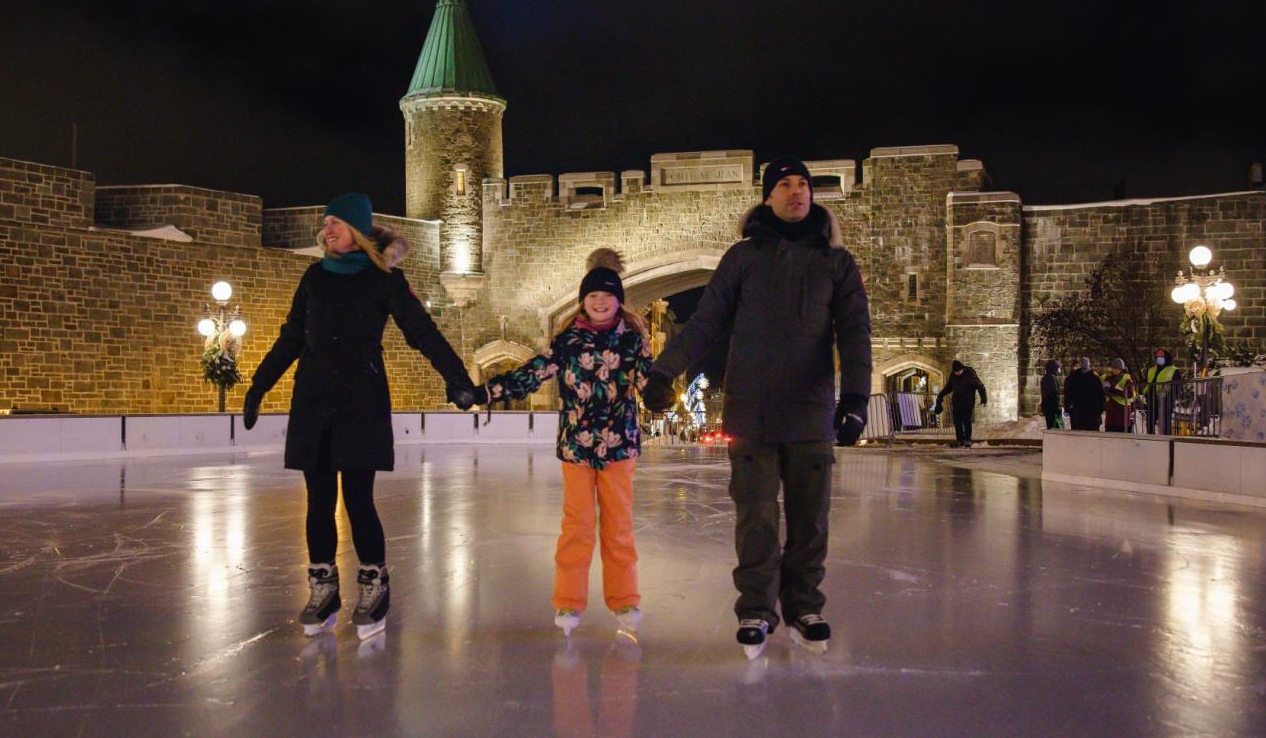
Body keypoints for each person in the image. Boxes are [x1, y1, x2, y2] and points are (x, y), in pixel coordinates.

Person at [642, 157, 872, 658]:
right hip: (753, 411)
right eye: (785, 185)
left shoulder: (837, 262)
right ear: (767, 197)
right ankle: (755, 609)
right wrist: (663, 370)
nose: (796, 192)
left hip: (811, 411)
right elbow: (704, 323)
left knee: (811, 519)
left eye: (803, 185)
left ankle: (805, 606)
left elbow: (855, 332)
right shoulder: (743, 258)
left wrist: (856, 396)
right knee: (757, 518)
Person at [242, 193, 478, 640]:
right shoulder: (314, 277)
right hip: (313, 402)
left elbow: (421, 331)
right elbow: (292, 337)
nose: (327, 230)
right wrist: (259, 384)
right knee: (316, 500)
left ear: (358, 231)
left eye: (336, 223)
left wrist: (456, 376)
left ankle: (374, 587)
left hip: (360, 402)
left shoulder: (384, 279)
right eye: (325, 224)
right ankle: (323, 588)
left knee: (357, 498)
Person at [479, 248, 652, 637]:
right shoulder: (568, 341)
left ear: (618, 300)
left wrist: (658, 391)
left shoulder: (633, 342)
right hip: (576, 446)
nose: (600, 301)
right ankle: (569, 601)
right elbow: (533, 373)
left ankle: (625, 598)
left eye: (607, 296)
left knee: (618, 526)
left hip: (619, 446)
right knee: (576, 526)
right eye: (593, 296)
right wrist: (487, 391)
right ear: (583, 301)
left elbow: (649, 380)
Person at [933, 360, 988, 447]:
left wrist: (983, 399)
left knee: (966, 420)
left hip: (968, 401)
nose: (958, 373)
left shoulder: (970, 374)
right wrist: (941, 395)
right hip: (957, 401)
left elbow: (980, 386)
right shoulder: (953, 376)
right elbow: (948, 387)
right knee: (957, 421)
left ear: (962, 369)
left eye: (959, 371)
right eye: (956, 372)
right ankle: (960, 440)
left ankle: (967, 439)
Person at [1140, 348, 1179, 435]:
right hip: (1152, 400)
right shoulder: (1151, 370)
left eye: (1161, 356)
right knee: (1150, 422)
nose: (1159, 358)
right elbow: (1147, 383)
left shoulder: (1174, 370)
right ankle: (1151, 440)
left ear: (1166, 357)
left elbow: (1177, 387)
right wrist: (1145, 395)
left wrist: (1169, 397)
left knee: (1165, 423)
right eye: (1157, 356)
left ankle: (1165, 441)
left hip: (1165, 400)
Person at [1064, 357, 1105, 431]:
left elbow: (1068, 394)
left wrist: (1068, 407)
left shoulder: (1073, 378)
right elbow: (1101, 397)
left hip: (1079, 414)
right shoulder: (1095, 378)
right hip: (1091, 414)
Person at [1101, 357, 1136, 433]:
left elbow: (1129, 394)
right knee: (1110, 432)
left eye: (1118, 369)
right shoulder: (1107, 377)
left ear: (1122, 369)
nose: (1116, 370)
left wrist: (1113, 390)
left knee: (1122, 433)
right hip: (1111, 411)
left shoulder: (1127, 378)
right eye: (1114, 368)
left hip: (1123, 412)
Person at [1039, 360, 1063, 430]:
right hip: (1052, 408)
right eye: (1057, 368)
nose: (1058, 370)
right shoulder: (1051, 378)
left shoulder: (1044, 378)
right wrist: (1057, 407)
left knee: (1050, 427)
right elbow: (1054, 393)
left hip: (1047, 407)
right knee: (1054, 428)